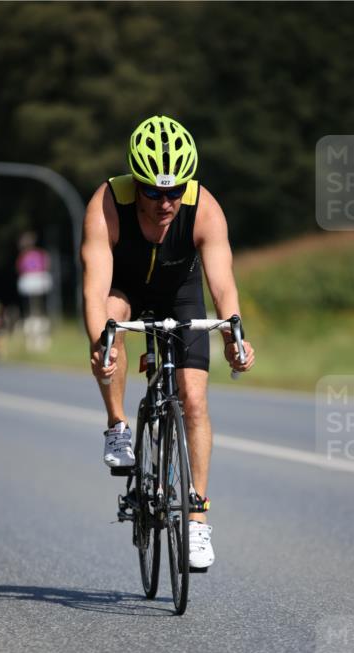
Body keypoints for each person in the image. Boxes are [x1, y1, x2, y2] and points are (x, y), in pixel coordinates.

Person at [81, 114, 255, 569]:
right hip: (125, 286)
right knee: (112, 328)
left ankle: (196, 521)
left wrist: (236, 333)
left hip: (180, 292)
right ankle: (118, 426)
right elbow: (94, 288)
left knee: (194, 400)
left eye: (175, 191)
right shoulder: (106, 204)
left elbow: (223, 286)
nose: (166, 202)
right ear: (135, 183)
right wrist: (102, 345)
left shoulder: (205, 207)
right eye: (154, 192)